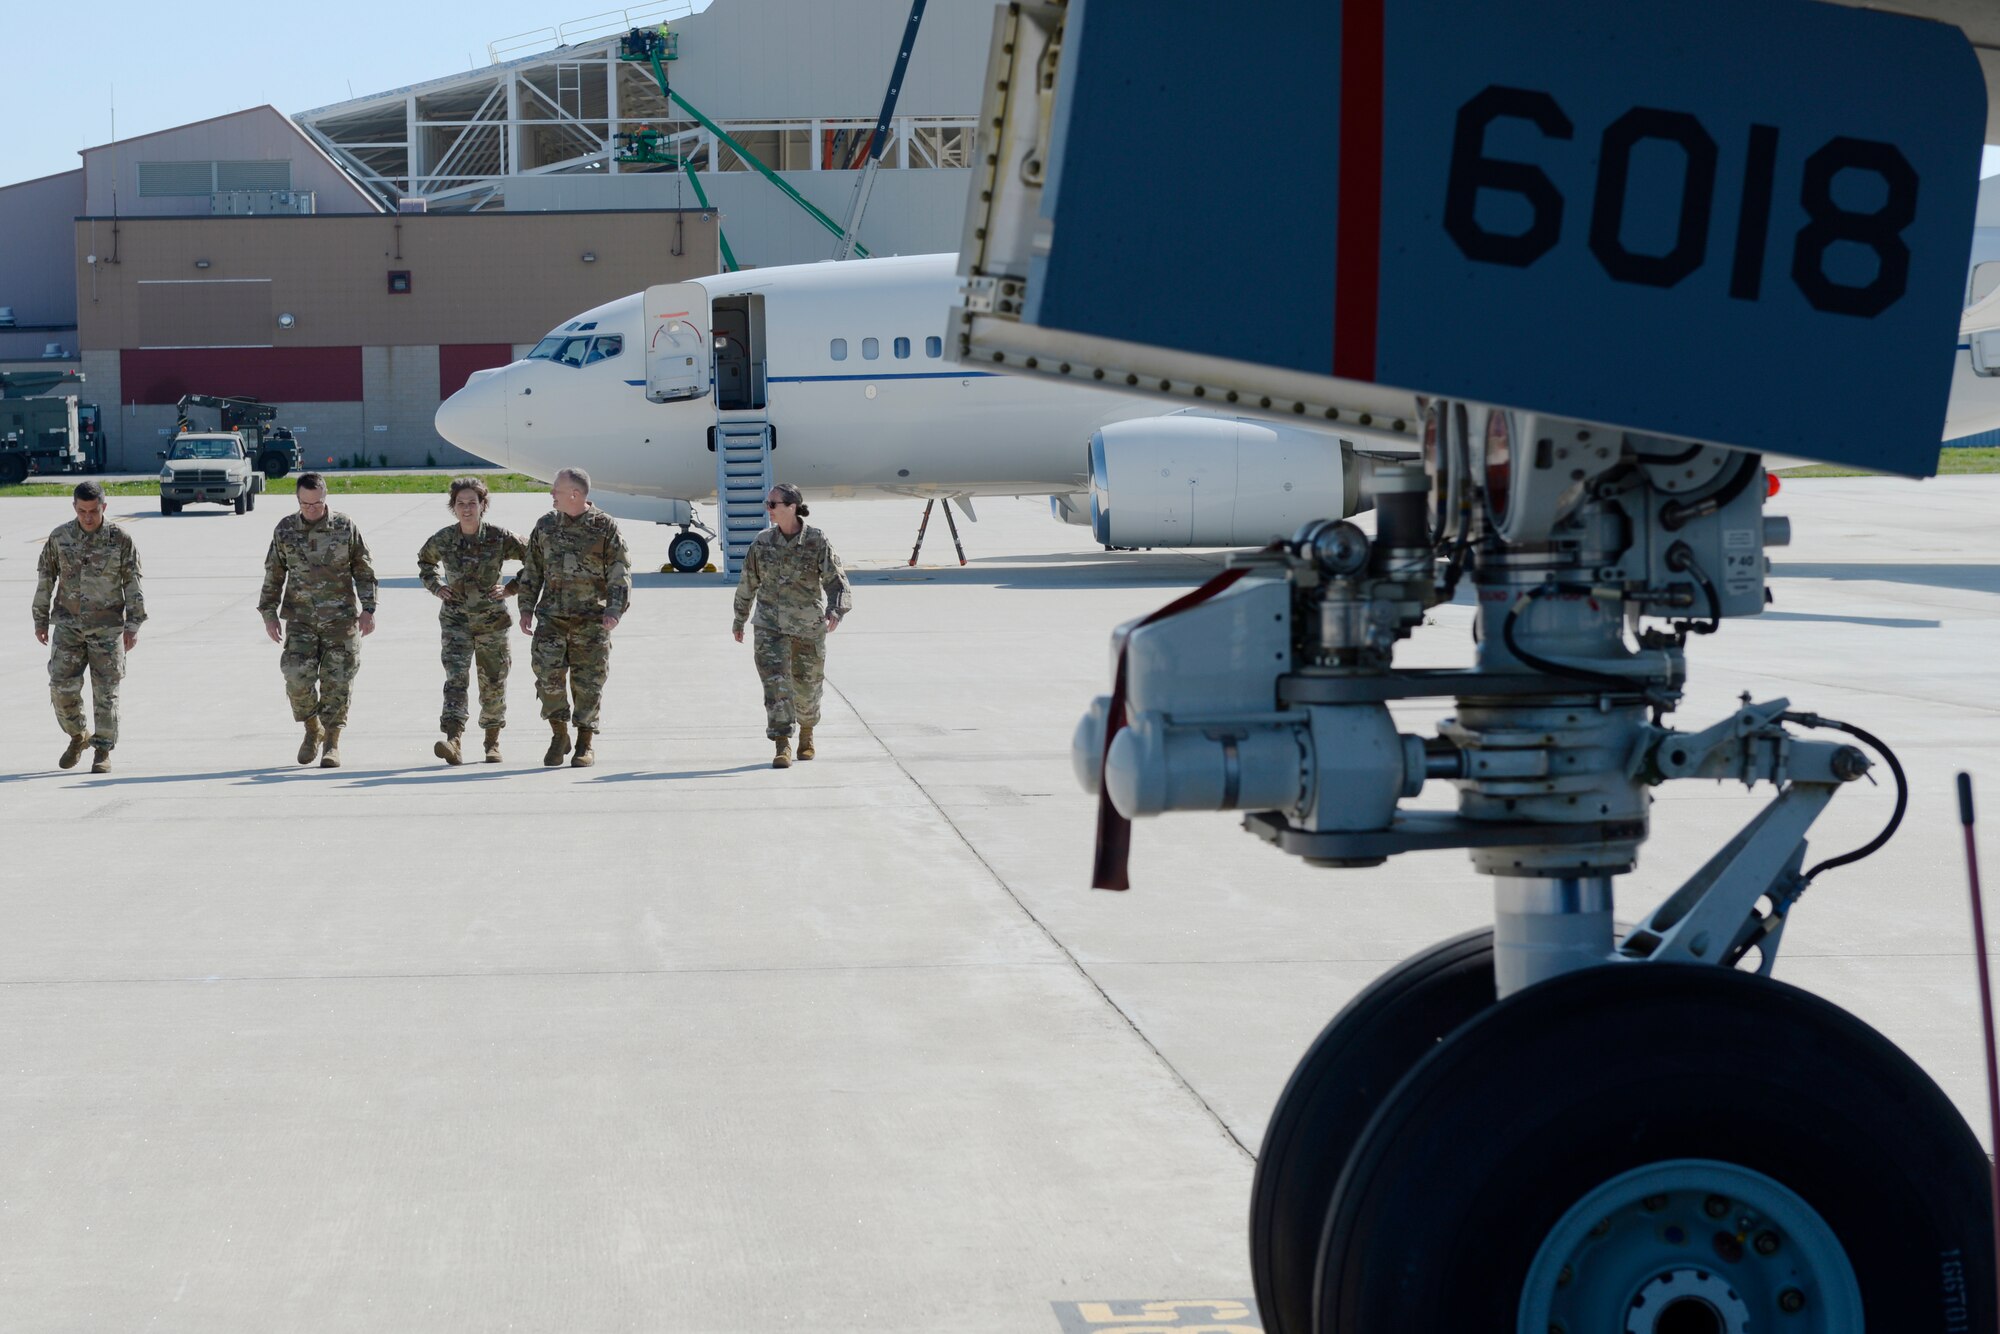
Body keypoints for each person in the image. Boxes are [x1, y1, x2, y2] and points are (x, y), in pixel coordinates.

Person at [257, 473, 377, 768]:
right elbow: (274, 573)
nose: (311, 508)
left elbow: (363, 568)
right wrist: (269, 614)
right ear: (297, 500)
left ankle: (332, 744)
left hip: (341, 620)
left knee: (338, 682)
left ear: (326, 497)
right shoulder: (285, 529)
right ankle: (313, 729)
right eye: (304, 503)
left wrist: (369, 608)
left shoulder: (344, 526)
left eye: (317, 503)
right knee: (296, 674)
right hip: (300, 619)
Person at [516, 468, 631, 768]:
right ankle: (558, 734)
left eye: (556, 489)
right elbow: (532, 570)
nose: (551, 494)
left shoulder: (605, 527)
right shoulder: (545, 526)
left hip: (591, 621)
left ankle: (584, 743)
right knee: (547, 678)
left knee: (588, 684)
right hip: (551, 619)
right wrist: (525, 608)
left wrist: (615, 610)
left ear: (575, 494)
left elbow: (620, 573)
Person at [731, 483, 852, 768]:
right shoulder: (762, 543)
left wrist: (836, 610)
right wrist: (739, 618)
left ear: (792, 506)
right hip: (769, 627)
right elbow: (748, 582)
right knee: (775, 687)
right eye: (767, 504)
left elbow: (836, 581)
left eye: (773, 504)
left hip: (807, 627)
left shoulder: (816, 540)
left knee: (807, 687)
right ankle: (782, 743)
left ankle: (807, 733)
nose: (768, 509)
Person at [32, 481, 144, 773]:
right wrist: (40, 619)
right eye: (82, 511)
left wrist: (133, 625)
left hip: (107, 629)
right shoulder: (60, 537)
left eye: (93, 511)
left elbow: (133, 584)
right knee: (60, 687)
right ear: (74, 508)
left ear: (104, 507)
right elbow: (46, 579)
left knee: (106, 693)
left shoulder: (120, 539)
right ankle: (78, 734)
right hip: (69, 626)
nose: (88, 517)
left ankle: (102, 750)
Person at [417, 477, 526, 764]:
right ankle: (454, 740)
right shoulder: (444, 538)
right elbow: (425, 563)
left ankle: (492, 742)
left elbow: (535, 559)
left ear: (483, 505)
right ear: (453, 507)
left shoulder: (499, 537)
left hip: (492, 623)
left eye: (472, 503)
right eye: (460, 504)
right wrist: (436, 586)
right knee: (455, 680)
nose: (467, 509)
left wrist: (511, 588)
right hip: (456, 623)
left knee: (493, 681)